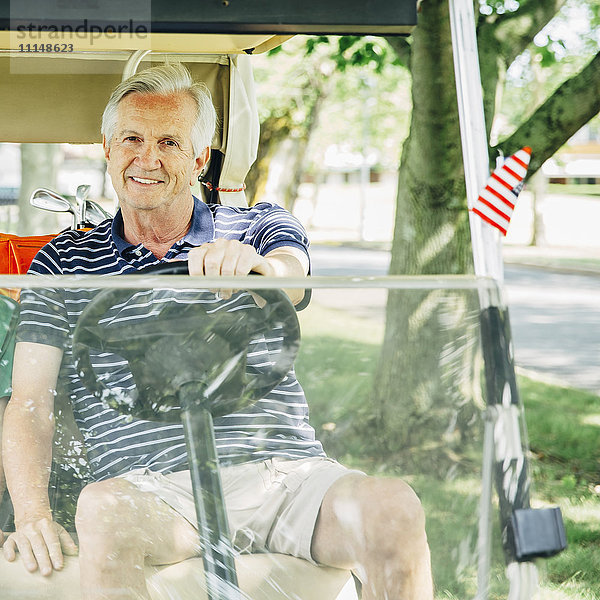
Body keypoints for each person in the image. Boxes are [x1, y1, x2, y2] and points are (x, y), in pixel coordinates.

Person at [2, 63, 432, 600]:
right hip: (154, 491)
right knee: (103, 509)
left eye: (170, 142)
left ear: (200, 157)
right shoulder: (62, 261)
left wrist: (255, 268)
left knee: (393, 507)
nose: (148, 158)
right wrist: (33, 512)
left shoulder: (254, 225)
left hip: (285, 475)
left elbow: (292, 277)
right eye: (132, 139)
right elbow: (30, 401)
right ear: (108, 148)